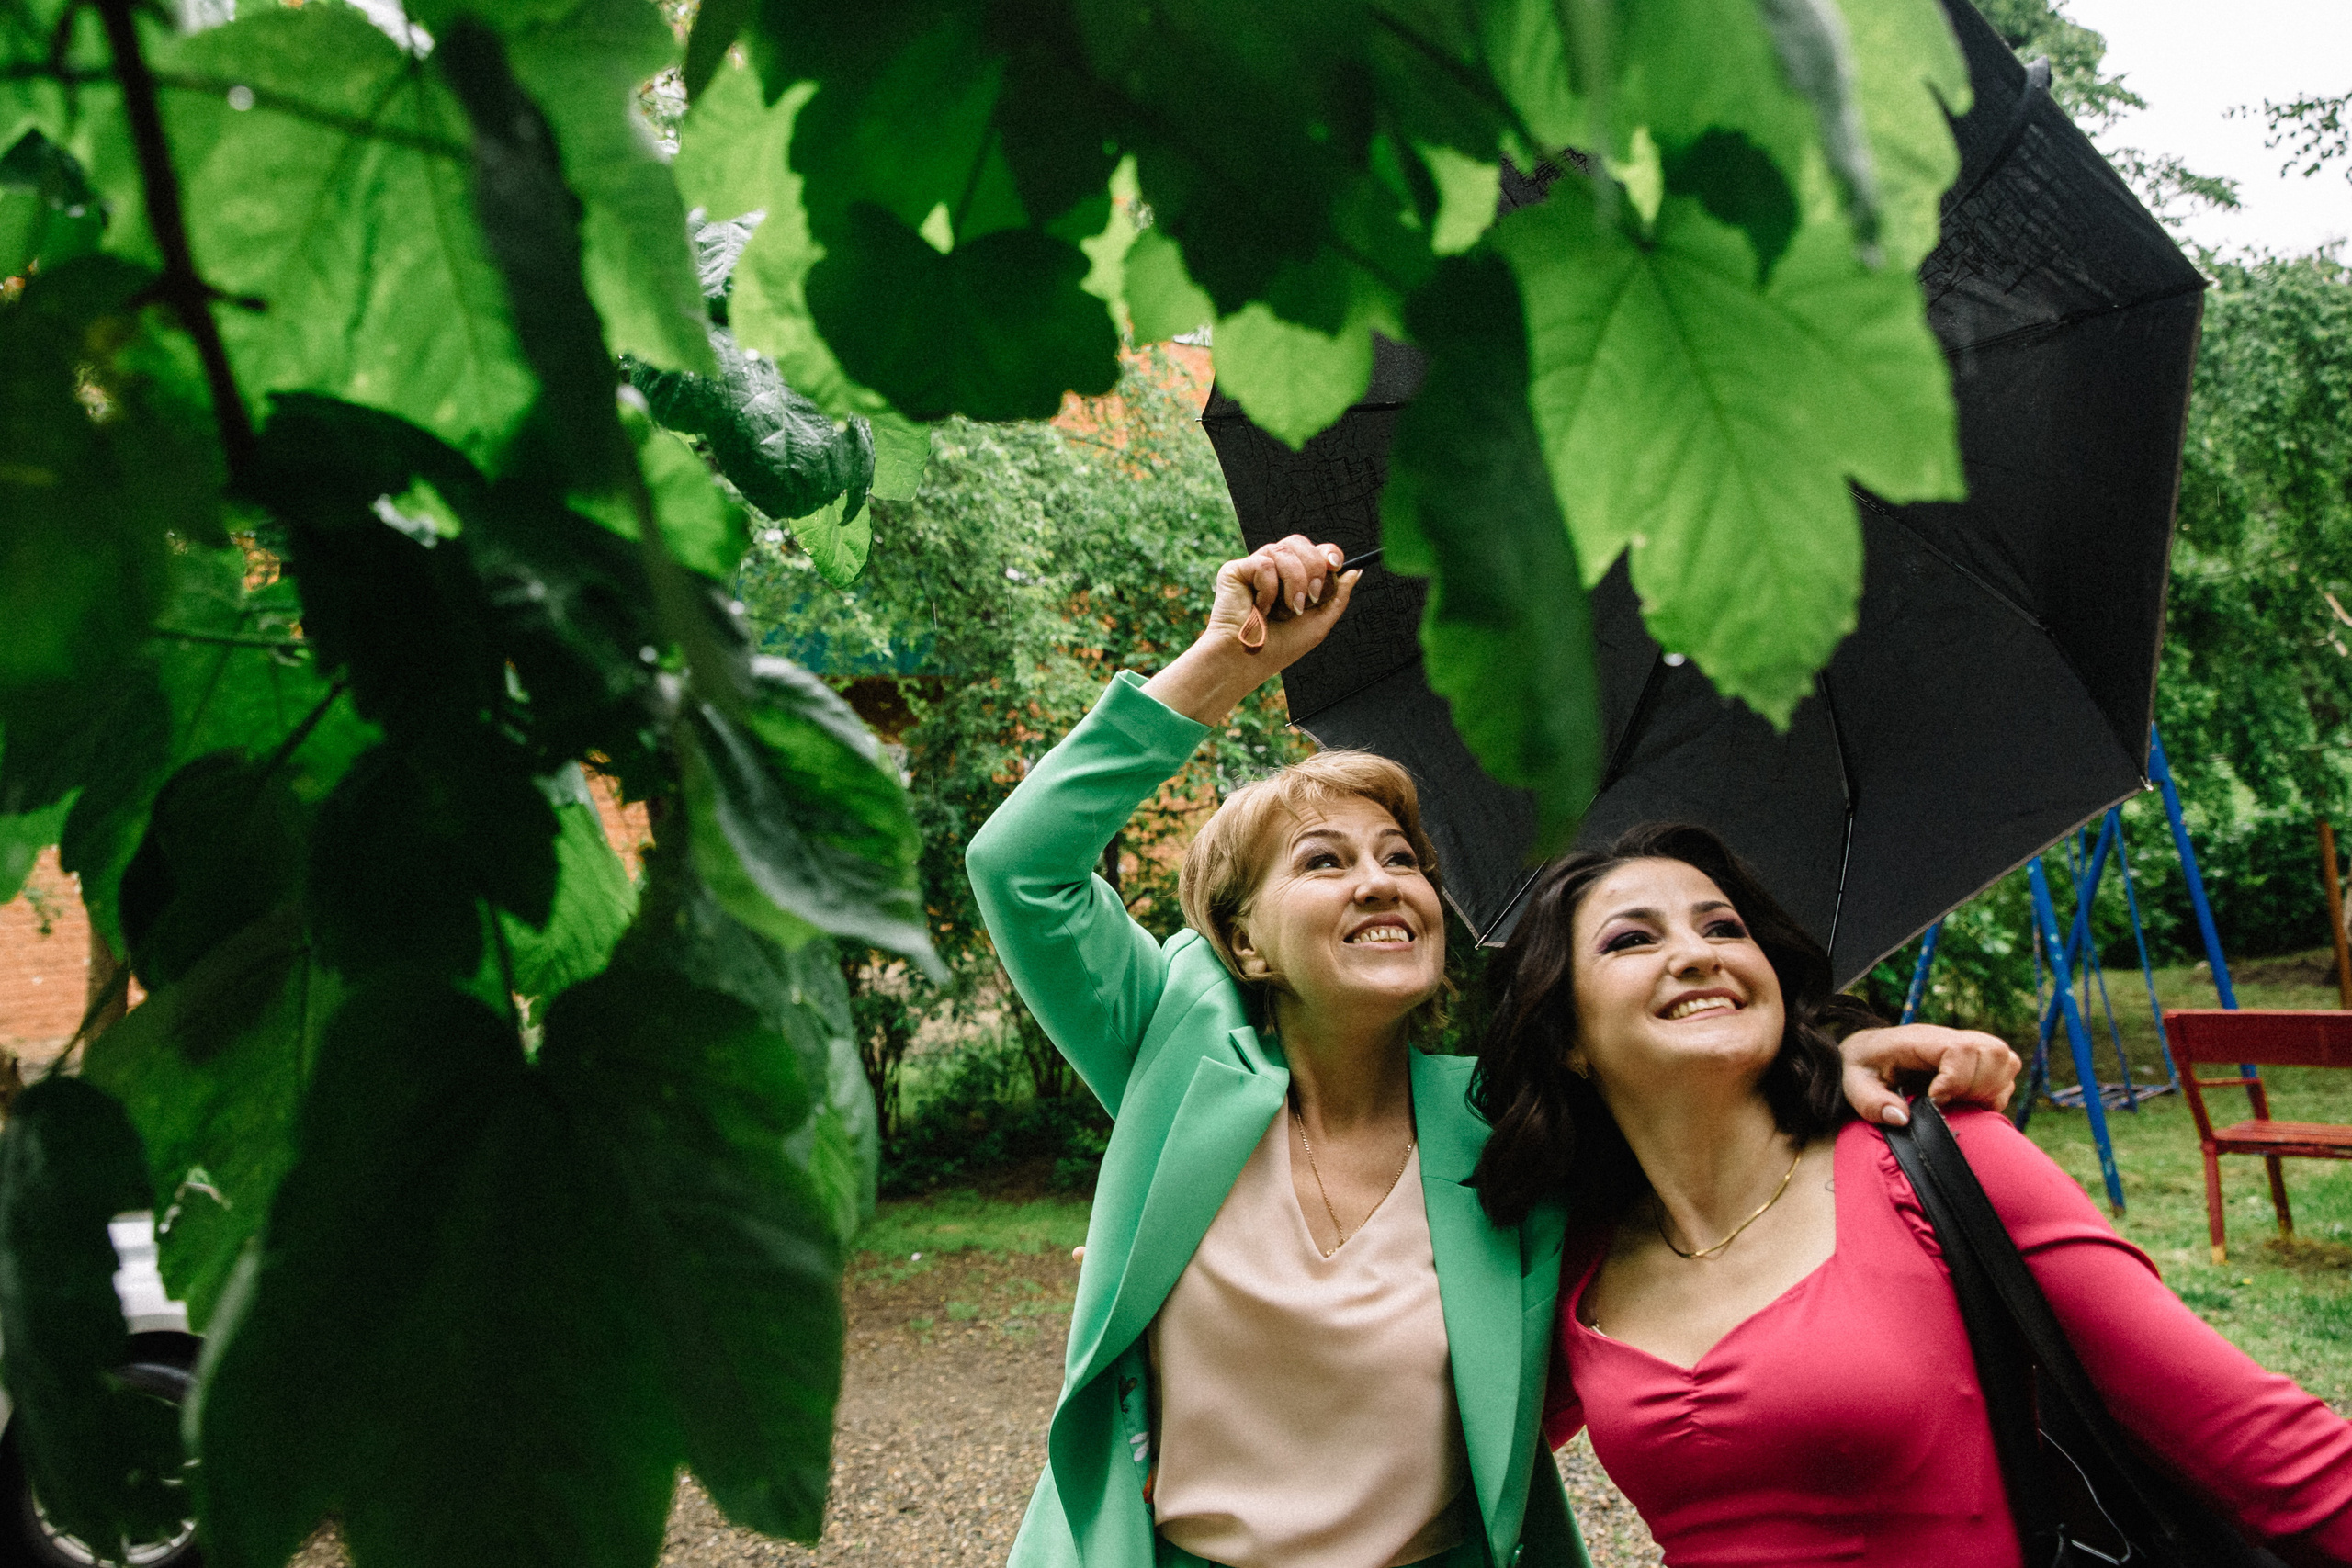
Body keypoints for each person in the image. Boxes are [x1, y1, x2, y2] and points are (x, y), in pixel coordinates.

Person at [967, 537, 2021, 1568]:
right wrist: (1226, 664)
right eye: (1323, 862)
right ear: (1243, 940)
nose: (1380, 882)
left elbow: (1701, 1111)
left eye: (1401, 860)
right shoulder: (1171, 1056)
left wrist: (1836, 1061)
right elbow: (1020, 868)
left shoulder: (1510, 1124)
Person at [1470, 821, 2352, 1568]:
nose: (1697, 954)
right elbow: (1434, 1478)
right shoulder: (1573, 1258)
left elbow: (2268, 1450)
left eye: (1724, 928)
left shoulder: (1942, 1164)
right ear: (1568, 1039)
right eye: (1633, 939)